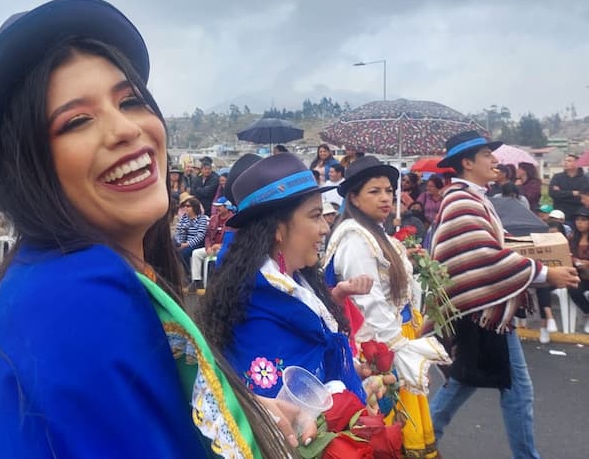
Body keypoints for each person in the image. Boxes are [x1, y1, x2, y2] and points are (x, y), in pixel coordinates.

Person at [0, 0, 312, 458]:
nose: (126, 129)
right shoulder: (83, 295)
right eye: (77, 121)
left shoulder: (40, 278)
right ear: (30, 169)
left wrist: (246, 415)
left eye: (129, 100)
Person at [196, 153, 391, 450]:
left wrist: (353, 374)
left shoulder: (292, 284)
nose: (325, 228)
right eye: (314, 216)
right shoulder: (259, 312)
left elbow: (315, 366)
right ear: (277, 229)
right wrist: (345, 400)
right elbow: (291, 421)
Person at [425, 130, 579, 459]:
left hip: (486, 310)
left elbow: (498, 247)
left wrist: (549, 258)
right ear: (467, 163)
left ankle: (418, 442)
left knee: (464, 384)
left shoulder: (474, 198)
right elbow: (480, 257)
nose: (495, 161)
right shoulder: (462, 201)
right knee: (513, 389)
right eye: (486, 156)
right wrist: (546, 273)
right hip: (485, 310)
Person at [323, 155, 451, 458]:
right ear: (353, 197)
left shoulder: (375, 233)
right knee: (389, 429)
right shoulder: (355, 238)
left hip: (395, 337)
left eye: (389, 191)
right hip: (381, 345)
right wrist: (398, 352)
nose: (385, 198)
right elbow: (368, 303)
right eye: (374, 191)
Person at [188, 196, 235, 294]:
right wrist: (208, 247)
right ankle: (197, 281)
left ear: (226, 207)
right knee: (196, 253)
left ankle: (214, 284)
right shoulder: (213, 219)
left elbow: (234, 239)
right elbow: (208, 236)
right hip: (212, 247)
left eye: (220, 206)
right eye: (216, 206)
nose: (217, 208)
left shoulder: (233, 219)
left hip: (225, 248)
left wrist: (221, 245)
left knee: (218, 254)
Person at [549, 154, 589, 221]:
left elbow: (582, 197)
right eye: (565, 160)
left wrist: (562, 193)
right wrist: (572, 193)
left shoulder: (585, 179)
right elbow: (553, 193)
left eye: (569, 161)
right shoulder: (557, 177)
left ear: (577, 163)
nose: (566, 163)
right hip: (559, 213)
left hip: (577, 214)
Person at [568, 207, 589, 333]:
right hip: (579, 275)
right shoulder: (572, 238)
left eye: (584, 220)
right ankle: (588, 312)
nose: (579, 223)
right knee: (572, 288)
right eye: (577, 220)